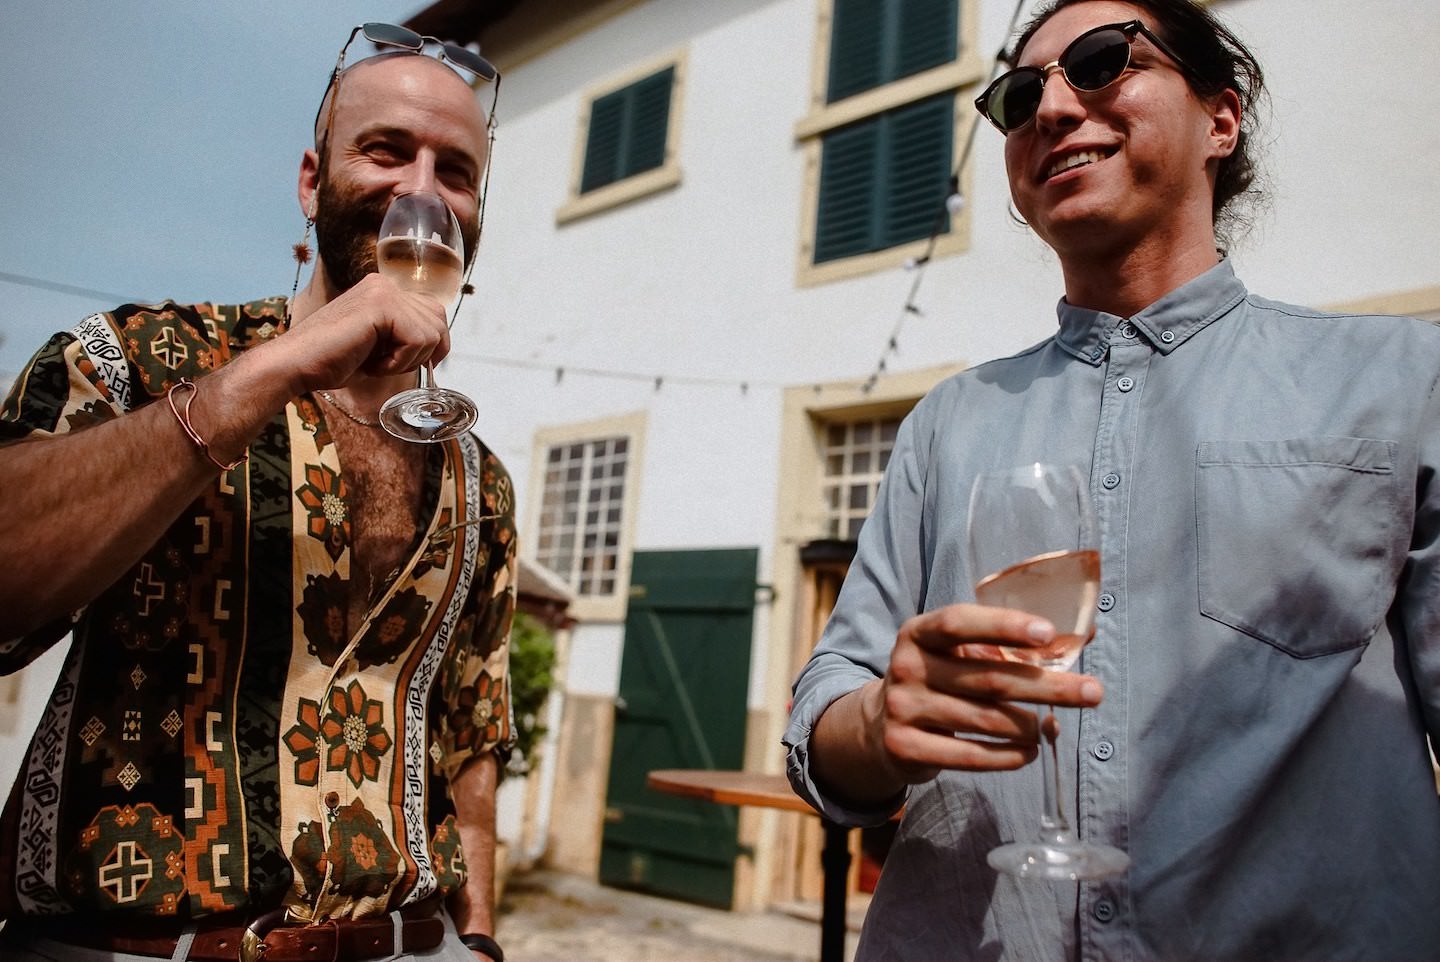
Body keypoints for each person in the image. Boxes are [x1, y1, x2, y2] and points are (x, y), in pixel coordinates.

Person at [784, 1, 1440, 959]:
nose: (1049, 107)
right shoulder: (947, 422)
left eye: (1100, 62)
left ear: (1222, 117)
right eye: (1017, 95)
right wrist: (882, 723)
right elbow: (830, 706)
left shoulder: (1399, 382)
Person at [0, 25, 514, 962]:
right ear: (313, 181)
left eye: (456, 171)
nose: (419, 192)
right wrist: (261, 378)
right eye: (386, 151)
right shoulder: (138, 359)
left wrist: (478, 936)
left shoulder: (481, 478)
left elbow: (472, 732)